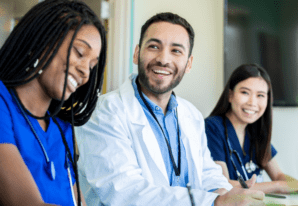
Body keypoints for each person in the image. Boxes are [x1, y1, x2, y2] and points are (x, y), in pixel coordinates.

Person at [76, 12, 265, 206]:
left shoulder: (191, 114)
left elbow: (206, 172)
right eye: (154, 46)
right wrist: (216, 202)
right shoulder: (104, 112)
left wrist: (225, 194)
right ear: (136, 54)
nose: (163, 59)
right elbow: (124, 192)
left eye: (176, 51)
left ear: (188, 63)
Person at [0, 0, 106, 205]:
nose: (86, 71)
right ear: (43, 41)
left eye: (92, 65)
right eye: (80, 53)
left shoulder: (61, 129)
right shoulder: (3, 104)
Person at [205, 64, 298, 194]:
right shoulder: (212, 127)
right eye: (245, 92)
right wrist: (278, 186)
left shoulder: (255, 132)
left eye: (260, 95)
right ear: (230, 95)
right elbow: (223, 183)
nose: (252, 102)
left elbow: (278, 176)